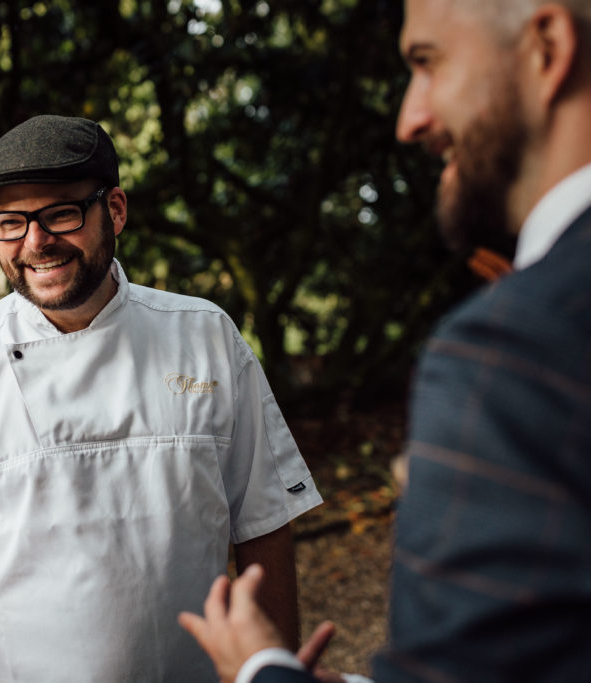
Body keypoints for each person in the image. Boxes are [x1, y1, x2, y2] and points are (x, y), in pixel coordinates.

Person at [179, 0, 591, 681]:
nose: (410, 120)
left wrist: (262, 668)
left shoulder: (512, 349)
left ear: (546, 47)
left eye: (428, 63)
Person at [0, 113, 323, 681]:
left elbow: (264, 523)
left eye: (60, 214)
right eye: (10, 222)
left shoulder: (206, 337)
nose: (36, 242)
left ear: (115, 210)